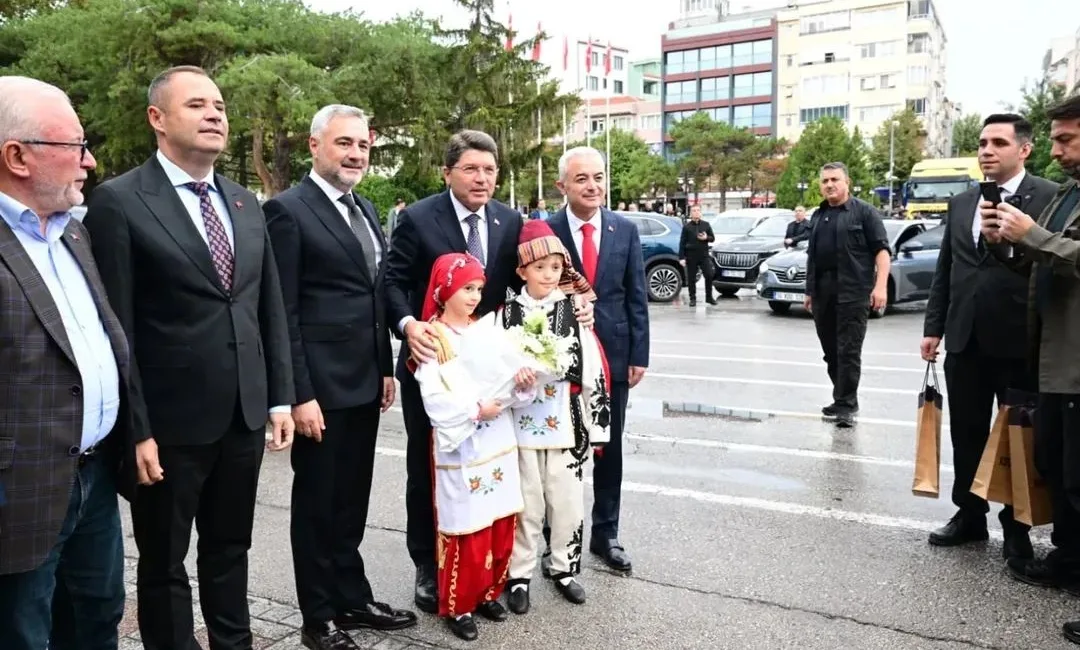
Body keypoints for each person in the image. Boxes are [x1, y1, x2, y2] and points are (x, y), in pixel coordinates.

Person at [82, 65, 296, 650]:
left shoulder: (245, 203)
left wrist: (280, 394)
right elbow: (116, 328)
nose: (215, 115)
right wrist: (137, 431)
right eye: (198, 105)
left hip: (244, 416)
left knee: (231, 548)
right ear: (158, 118)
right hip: (169, 428)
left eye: (220, 106)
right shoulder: (119, 203)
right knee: (163, 562)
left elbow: (267, 306)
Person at [383, 130, 594, 613]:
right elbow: (391, 282)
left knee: (492, 471)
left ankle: (485, 570)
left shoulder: (508, 219)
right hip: (435, 360)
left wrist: (579, 298)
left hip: (493, 372)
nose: (481, 178)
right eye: (471, 169)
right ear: (448, 173)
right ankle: (427, 565)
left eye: (489, 170)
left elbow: (552, 267)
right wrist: (408, 323)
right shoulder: (417, 218)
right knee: (430, 470)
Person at [263, 105, 415, 650]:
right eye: (344, 143)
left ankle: (352, 596)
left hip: (362, 383)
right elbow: (283, 311)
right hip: (319, 392)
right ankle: (318, 616)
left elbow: (372, 297)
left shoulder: (366, 208)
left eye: (363, 147)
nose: (355, 155)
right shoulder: (288, 211)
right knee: (318, 506)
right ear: (315, 146)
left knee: (352, 500)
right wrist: (298, 393)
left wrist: (383, 367)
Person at [0, 76, 132, 650]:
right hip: (19, 492)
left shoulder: (73, 233)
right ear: (17, 157)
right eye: (75, 146)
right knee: (24, 631)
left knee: (97, 617)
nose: (90, 160)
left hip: (93, 476)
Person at [921, 113, 1059, 557]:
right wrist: (933, 327)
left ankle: (1017, 526)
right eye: (982, 142)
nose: (986, 150)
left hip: (1020, 339)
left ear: (1024, 149)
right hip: (965, 338)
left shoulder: (1051, 198)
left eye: (998, 142)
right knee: (967, 431)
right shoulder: (962, 202)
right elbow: (948, 269)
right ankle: (969, 515)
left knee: (1019, 437)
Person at [979, 95, 1080, 645]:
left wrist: (1032, 236)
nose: (1058, 150)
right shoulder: (1066, 193)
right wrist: (1004, 244)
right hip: (1052, 357)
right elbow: (1040, 257)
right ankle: (1069, 559)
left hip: (1076, 356)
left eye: (1067, 139)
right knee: (1062, 469)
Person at [410, 252, 530, 641]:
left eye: (479, 288)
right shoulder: (434, 337)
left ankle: (489, 591)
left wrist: (523, 381)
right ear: (444, 291)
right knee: (466, 523)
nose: (475, 296)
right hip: (463, 444)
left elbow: (512, 382)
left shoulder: (488, 329)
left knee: (497, 517)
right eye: (466, 289)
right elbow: (434, 397)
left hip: (498, 439)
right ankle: (459, 603)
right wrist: (477, 409)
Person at [547, 146, 649, 573]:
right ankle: (557, 536)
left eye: (599, 177)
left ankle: (606, 533)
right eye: (582, 178)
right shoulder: (543, 230)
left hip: (615, 356)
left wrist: (639, 354)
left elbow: (636, 295)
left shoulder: (624, 229)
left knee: (608, 447)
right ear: (562, 186)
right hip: (558, 357)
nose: (593, 186)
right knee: (558, 449)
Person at [501, 220, 611, 615]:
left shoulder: (573, 310)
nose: (548, 275)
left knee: (566, 501)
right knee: (526, 503)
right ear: (522, 271)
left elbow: (594, 366)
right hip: (520, 423)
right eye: (540, 267)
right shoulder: (508, 312)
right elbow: (496, 364)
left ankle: (564, 567)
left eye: (555, 267)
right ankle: (519, 574)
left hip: (566, 419)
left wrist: (597, 426)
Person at [803, 162, 890, 429]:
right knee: (831, 352)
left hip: (852, 292)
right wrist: (809, 291)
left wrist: (881, 286)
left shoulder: (865, 212)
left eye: (835, 179)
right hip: (822, 293)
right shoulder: (818, 215)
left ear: (847, 182)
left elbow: (882, 251)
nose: (829, 185)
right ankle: (841, 396)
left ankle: (846, 404)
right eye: (825, 180)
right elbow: (812, 256)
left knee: (848, 351)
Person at [678, 203, 716, 306]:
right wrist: (681, 257)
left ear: (701, 212)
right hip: (691, 255)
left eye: (698, 210)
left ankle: (709, 297)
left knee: (709, 274)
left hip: (703, 255)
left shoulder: (706, 224)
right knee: (691, 278)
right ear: (691, 213)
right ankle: (692, 298)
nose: (696, 212)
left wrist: (706, 238)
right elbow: (682, 243)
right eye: (694, 211)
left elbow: (712, 238)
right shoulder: (687, 227)